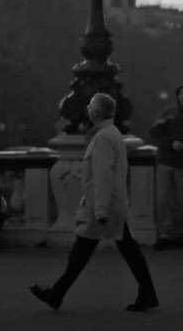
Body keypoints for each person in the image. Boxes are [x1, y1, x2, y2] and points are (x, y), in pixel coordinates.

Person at [30, 92, 159, 313]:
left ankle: (57, 293)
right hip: (112, 203)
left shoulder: (102, 138)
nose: (88, 108)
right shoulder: (111, 134)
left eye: (91, 105)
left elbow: (102, 177)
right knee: (125, 250)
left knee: (83, 252)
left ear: (97, 112)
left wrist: (99, 210)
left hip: (101, 206)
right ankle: (147, 293)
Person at [150, 82, 183, 250]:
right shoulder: (169, 113)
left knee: (180, 201)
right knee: (162, 199)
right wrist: (170, 143)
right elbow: (155, 132)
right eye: (181, 94)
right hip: (165, 159)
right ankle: (163, 234)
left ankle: (178, 234)